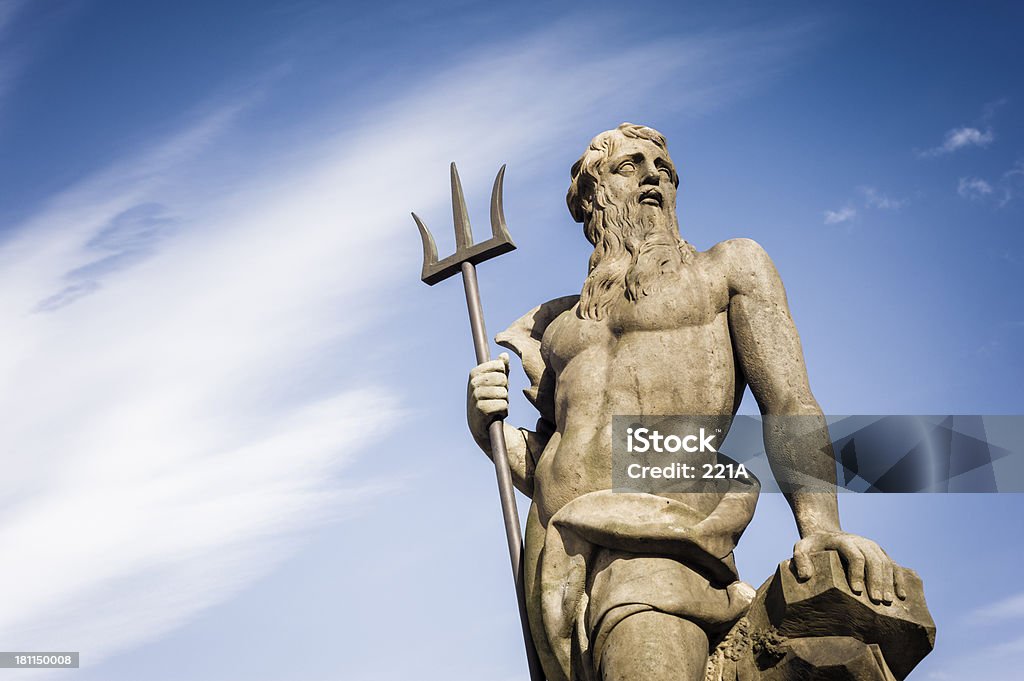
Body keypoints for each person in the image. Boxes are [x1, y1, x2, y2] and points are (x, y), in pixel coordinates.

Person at [467, 123, 905, 681]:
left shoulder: (726, 269)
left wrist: (818, 526)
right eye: (629, 166)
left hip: (661, 545)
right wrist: (487, 428)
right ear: (591, 197)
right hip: (556, 552)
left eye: (663, 168)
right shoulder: (555, 328)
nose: (653, 175)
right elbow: (556, 456)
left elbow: (789, 401)